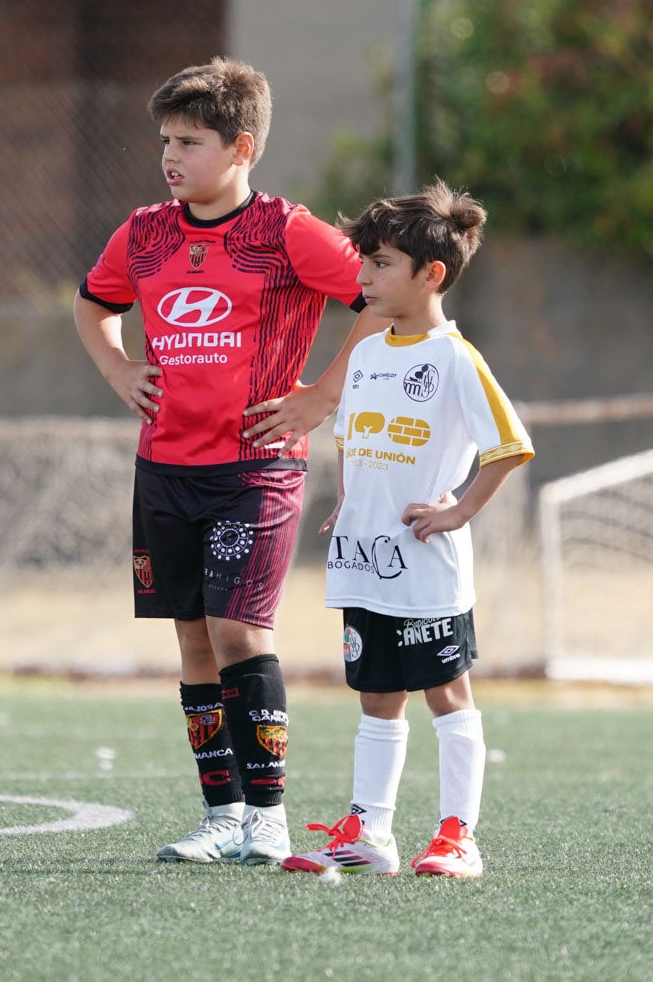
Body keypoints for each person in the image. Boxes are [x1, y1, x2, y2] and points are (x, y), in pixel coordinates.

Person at [73, 58, 389, 865]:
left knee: (238, 629)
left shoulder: (285, 232)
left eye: (190, 140)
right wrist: (117, 369)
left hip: (257, 468)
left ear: (241, 146)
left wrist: (322, 394)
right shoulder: (143, 232)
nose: (170, 157)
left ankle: (269, 817)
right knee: (192, 643)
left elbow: (385, 304)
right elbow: (92, 302)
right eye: (164, 141)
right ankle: (220, 816)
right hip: (165, 469)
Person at [281, 180, 533, 879]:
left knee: (445, 693)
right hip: (363, 556)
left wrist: (456, 511)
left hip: (426, 565)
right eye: (362, 261)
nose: (362, 275)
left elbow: (510, 447)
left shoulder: (454, 357)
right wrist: (350, 501)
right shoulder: (364, 355)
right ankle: (369, 832)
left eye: (380, 263)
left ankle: (458, 836)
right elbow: (361, 440)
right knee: (375, 695)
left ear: (431, 275)